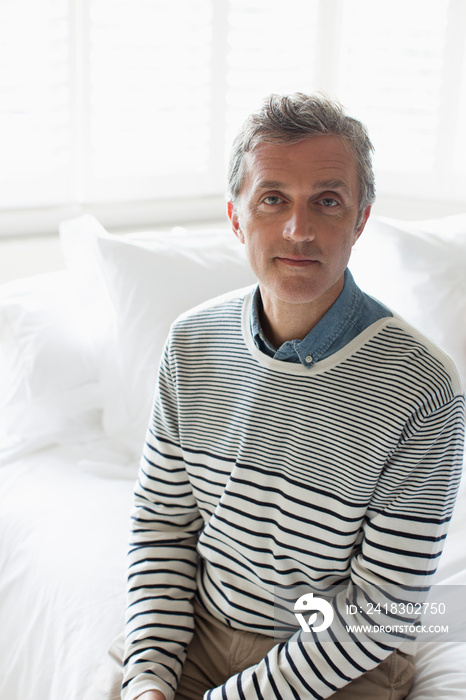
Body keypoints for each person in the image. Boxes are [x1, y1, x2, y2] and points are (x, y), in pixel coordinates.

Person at [88, 93, 465, 700]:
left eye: (327, 201)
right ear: (237, 217)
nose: (299, 229)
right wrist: (151, 678)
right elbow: (162, 525)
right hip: (201, 634)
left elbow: (378, 611)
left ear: (360, 218)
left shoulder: (424, 387)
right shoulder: (190, 342)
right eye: (273, 199)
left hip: (341, 658)